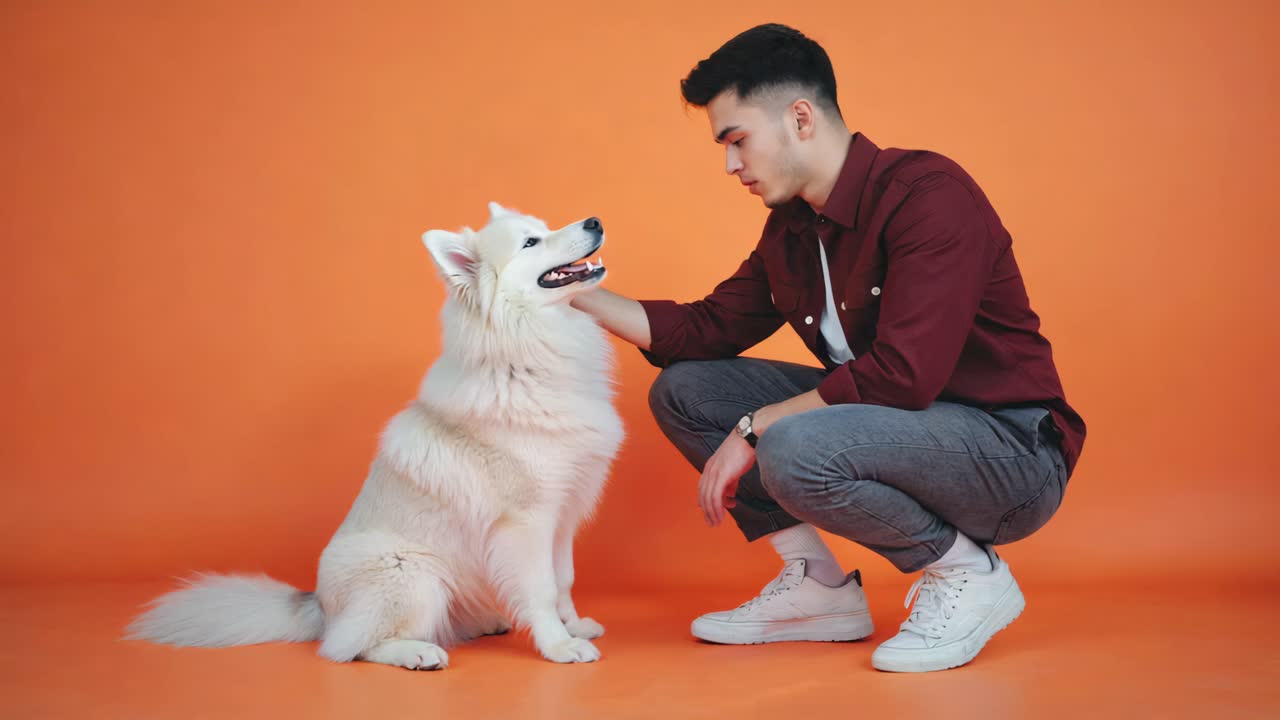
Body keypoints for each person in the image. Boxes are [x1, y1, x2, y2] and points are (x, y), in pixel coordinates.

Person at [571, 22, 1085, 673]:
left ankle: (967, 572)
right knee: (687, 390)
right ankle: (819, 587)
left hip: (1010, 454)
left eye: (737, 140)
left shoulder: (928, 195)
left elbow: (903, 376)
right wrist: (570, 290)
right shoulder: (791, 229)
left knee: (790, 442)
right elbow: (703, 329)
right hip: (895, 429)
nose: (731, 165)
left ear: (800, 118)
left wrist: (756, 427)